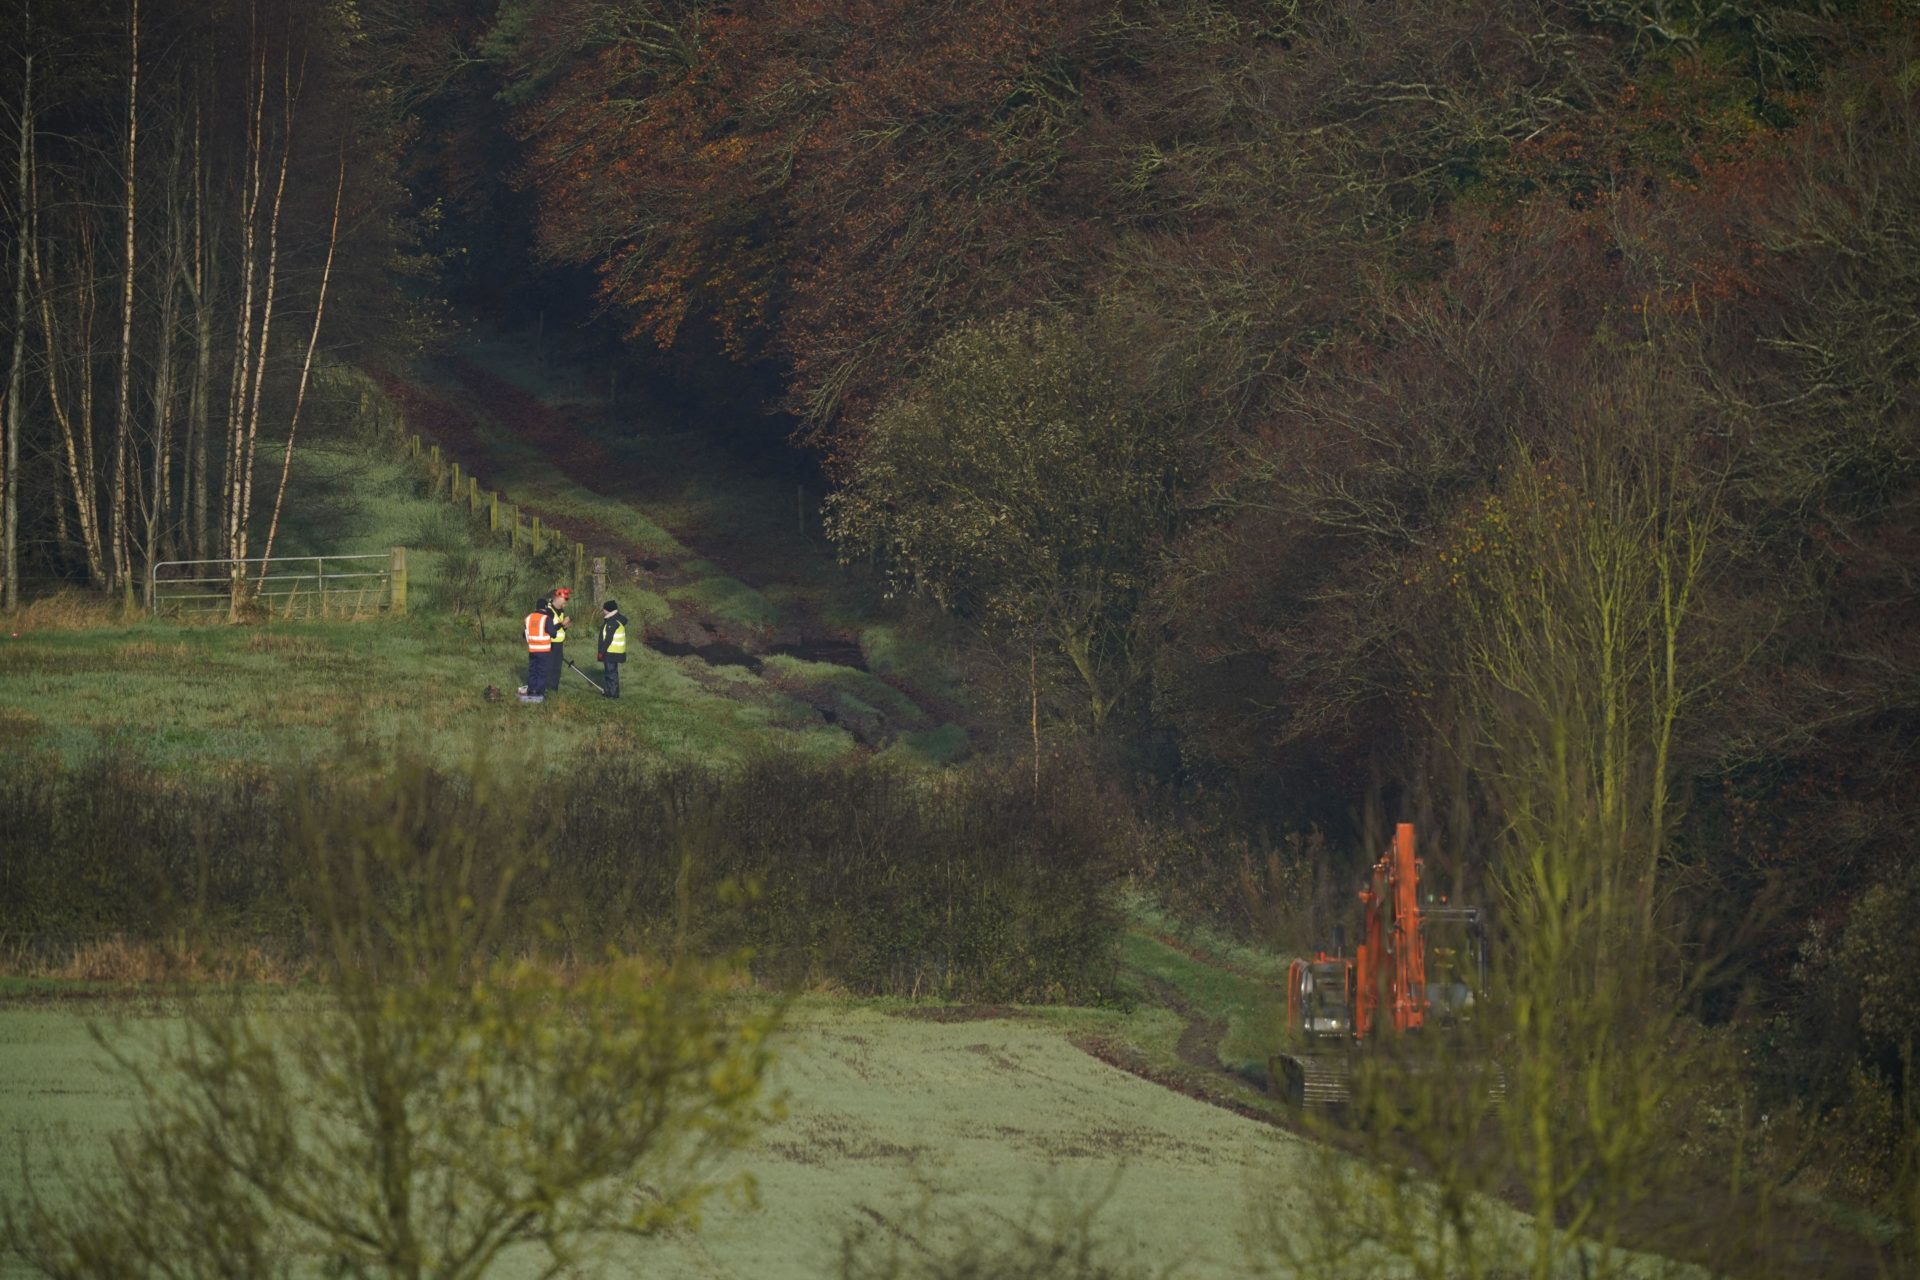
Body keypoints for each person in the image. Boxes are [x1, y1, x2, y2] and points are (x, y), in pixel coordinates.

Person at [521, 595, 555, 703]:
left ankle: (531, 690)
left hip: (532, 650)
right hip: (543, 650)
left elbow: (524, 634)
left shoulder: (528, 618)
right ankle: (540, 693)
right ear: (545, 607)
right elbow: (553, 633)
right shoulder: (546, 618)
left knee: (532, 671)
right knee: (541, 671)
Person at [597, 599, 630, 699]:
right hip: (616, 652)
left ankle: (612, 694)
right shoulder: (618, 619)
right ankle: (612, 691)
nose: (603, 611)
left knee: (610, 674)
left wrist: (601, 652)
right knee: (613, 673)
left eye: (604, 609)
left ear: (608, 610)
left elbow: (607, 639)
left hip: (611, 652)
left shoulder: (612, 622)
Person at [549, 587, 573, 697]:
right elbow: (548, 629)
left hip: (559, 643)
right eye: (565, 599)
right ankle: (547, 689)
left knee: (557, 668)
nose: (567, 602)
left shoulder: (561, 611)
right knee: (549, 667)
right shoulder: (548, 610)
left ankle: (554, 690)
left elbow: (560, 628)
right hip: (549, 644)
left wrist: (565, 626)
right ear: (558, 597)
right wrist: (561, 624)